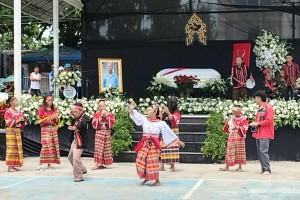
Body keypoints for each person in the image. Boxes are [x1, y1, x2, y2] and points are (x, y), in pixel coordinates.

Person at [129, 100, 184, 186]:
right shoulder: (144, 119)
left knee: (152, 162)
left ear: (155, 112)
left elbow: (169, 132)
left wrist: (177, 141)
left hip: (153, 145)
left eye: (150, 110)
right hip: (144, 144)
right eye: (147, 110)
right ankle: (146, 177)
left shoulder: (161, 123)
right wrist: (131, 109)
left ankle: (157, 180)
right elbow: (137, 116)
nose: (148, 111)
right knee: (140, 159)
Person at [250, 90, 274, 175]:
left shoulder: (268, 108)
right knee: (260, 152)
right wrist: (254, 123)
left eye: (255, 98)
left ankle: (267, 169)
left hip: (265, 133)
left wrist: (258, 123)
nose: (255, 100)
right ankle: (263, 168)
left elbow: (269, 120)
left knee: (263, 151)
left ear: (259, 98)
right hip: (258, 133)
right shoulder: (260, 108)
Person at [220, 105, 249, 172]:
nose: (235, 113)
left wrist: (238, 127)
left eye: (236, 111)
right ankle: (227, 166)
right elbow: (228, 127)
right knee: (229, 150)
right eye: (234, 111)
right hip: (232, 135)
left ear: (240, 111)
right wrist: (226, 124)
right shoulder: (232, 118)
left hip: (239, 136)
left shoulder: (243, 119)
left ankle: (240, 166)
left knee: (239, 151)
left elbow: (245, 128)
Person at [160, 96, 184, 171]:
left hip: (173, 130)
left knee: (172, 148)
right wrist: (161, 112)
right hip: (166, 130)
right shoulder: (167, 110)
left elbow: (174, 121)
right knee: (163, 148)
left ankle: (172, 166)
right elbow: (161, 119)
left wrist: (168, 112)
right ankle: (162, 165)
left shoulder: (177, 112)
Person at [37, 96, 60, 170]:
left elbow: (56, 122)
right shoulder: (41, 110)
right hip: (45, 129)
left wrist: (56, 118)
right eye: (49, 100)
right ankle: (40, 163)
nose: (50, 101)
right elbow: (41, 121)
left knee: (52, 146)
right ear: (45, 101)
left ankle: (49, 163)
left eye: (51, 100)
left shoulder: (54, 109)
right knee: (46, 145)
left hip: (53, 129)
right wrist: (50, 118)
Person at [67, 103, 89, 182]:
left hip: (81, 141)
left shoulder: (85, 117)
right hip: (75, 139)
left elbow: (82, 124)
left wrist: (75, 127)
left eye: (75, 112)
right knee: (70, 157)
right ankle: (82, 169)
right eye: (73, 112)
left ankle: (78, 176)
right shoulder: (75, 118)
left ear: (80, 111)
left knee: (76, 157)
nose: (74, 114)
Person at [91, 100, 115, 170]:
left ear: (105, 106)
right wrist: (101, 117)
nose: (102, 107)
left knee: (105, 148)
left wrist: (107, 117)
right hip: (99, 132)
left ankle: (102, 164)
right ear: (98, 107)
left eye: (103, 105)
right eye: (100, 106)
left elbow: (111, 123)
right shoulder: (96, 114)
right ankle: (97, 164)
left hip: (107, 132)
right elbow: (94, 124)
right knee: (98, 148)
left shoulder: (109, 114)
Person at [4, 96, 25, 172]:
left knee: (17, 148)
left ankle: (14, 165)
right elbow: (8, 122)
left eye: (16, 100)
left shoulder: (18, 111)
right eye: (15, 101)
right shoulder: (8, 111)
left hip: (17, 131)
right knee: (11, 148)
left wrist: (22, 120)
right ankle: (10, 167)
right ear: (11, 102)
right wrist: (18, 120)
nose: (16, 102)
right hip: (11, 131)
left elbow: (21, 120)